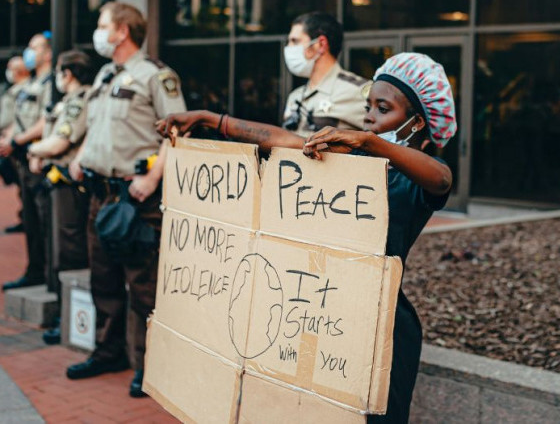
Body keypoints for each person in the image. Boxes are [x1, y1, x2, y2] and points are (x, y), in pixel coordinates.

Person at [157, 52, 457, 423]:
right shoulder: (352, 161)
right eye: (368, 107)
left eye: (383, 109)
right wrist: (208, 119)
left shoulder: (413, 178)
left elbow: (442, 178)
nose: (369, 117)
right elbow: (281, 139)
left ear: (418, 124)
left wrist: (369, 142)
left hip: (380, 326)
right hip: (319, 312)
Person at [65, 2, 186, 398]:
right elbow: (93, 128)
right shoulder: (104, 75)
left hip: (135, 199)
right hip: (100, 195)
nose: (98, 32)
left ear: (121, 31)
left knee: (143, 285)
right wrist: (80, 159)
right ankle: (108, 351)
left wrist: (152, 177)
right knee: (103, 279)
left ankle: (147, 364)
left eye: (103, 25)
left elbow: (177, 132)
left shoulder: (156, 76)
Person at [27, 50, 93, 345]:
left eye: (59, 73)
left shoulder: (80, 101)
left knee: (68, 251)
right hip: (58, 183)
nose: (57, 78)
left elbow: (58, 144)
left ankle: (68, 318)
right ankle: (62, 316)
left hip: (70, 186)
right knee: (57, 250)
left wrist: (33, 150)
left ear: (68, 74)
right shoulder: (69, 101)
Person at [0, 33, 53, 290]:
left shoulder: (51, 83)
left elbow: (45, 121)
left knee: (44, 222)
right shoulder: (31, 84)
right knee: (31, 220)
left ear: (48, 52)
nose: (30, 51)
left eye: (35, 47)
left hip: (39, 159)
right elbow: (19, 120)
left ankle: (49, 275)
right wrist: (6, 139)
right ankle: (35, 269)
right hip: (22, 160)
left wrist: (16, 141)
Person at [282, 12, 368, 137]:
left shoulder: (359, 91)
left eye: (295, 41)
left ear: (321, 44)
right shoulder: (295, 96)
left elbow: (382, 141)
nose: (288, 48)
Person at [0, 56, 30, 233]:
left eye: (12, 67)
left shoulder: (27, 90)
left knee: (25, 188)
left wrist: (8, 139)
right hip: (9, 142)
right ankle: (24, 218)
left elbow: (20, 120)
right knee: (20, 187)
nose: (8, 70)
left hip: (18, 144)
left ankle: (26, 219)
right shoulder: (13, 90)